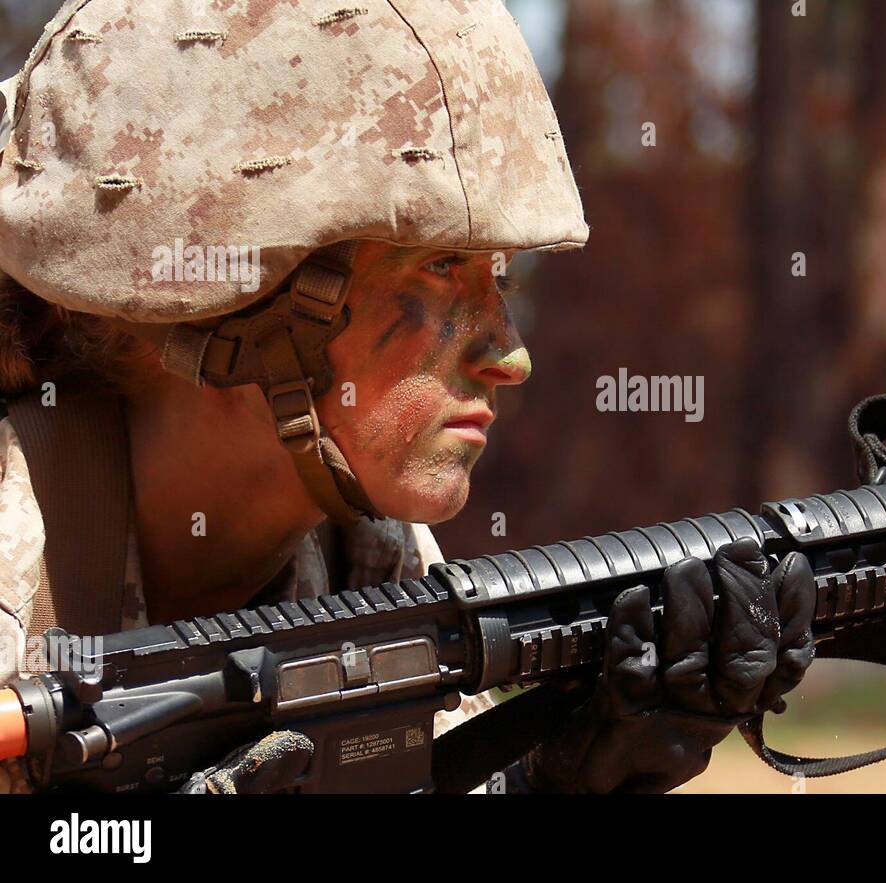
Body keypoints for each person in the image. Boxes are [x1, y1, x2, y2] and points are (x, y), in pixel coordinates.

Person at [0, 0, 814, 794]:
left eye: (499, 276)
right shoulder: (16, 563)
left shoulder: (369, 548)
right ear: (234, 304)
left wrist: (554, 775)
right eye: (438, 267)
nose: (511, 356)